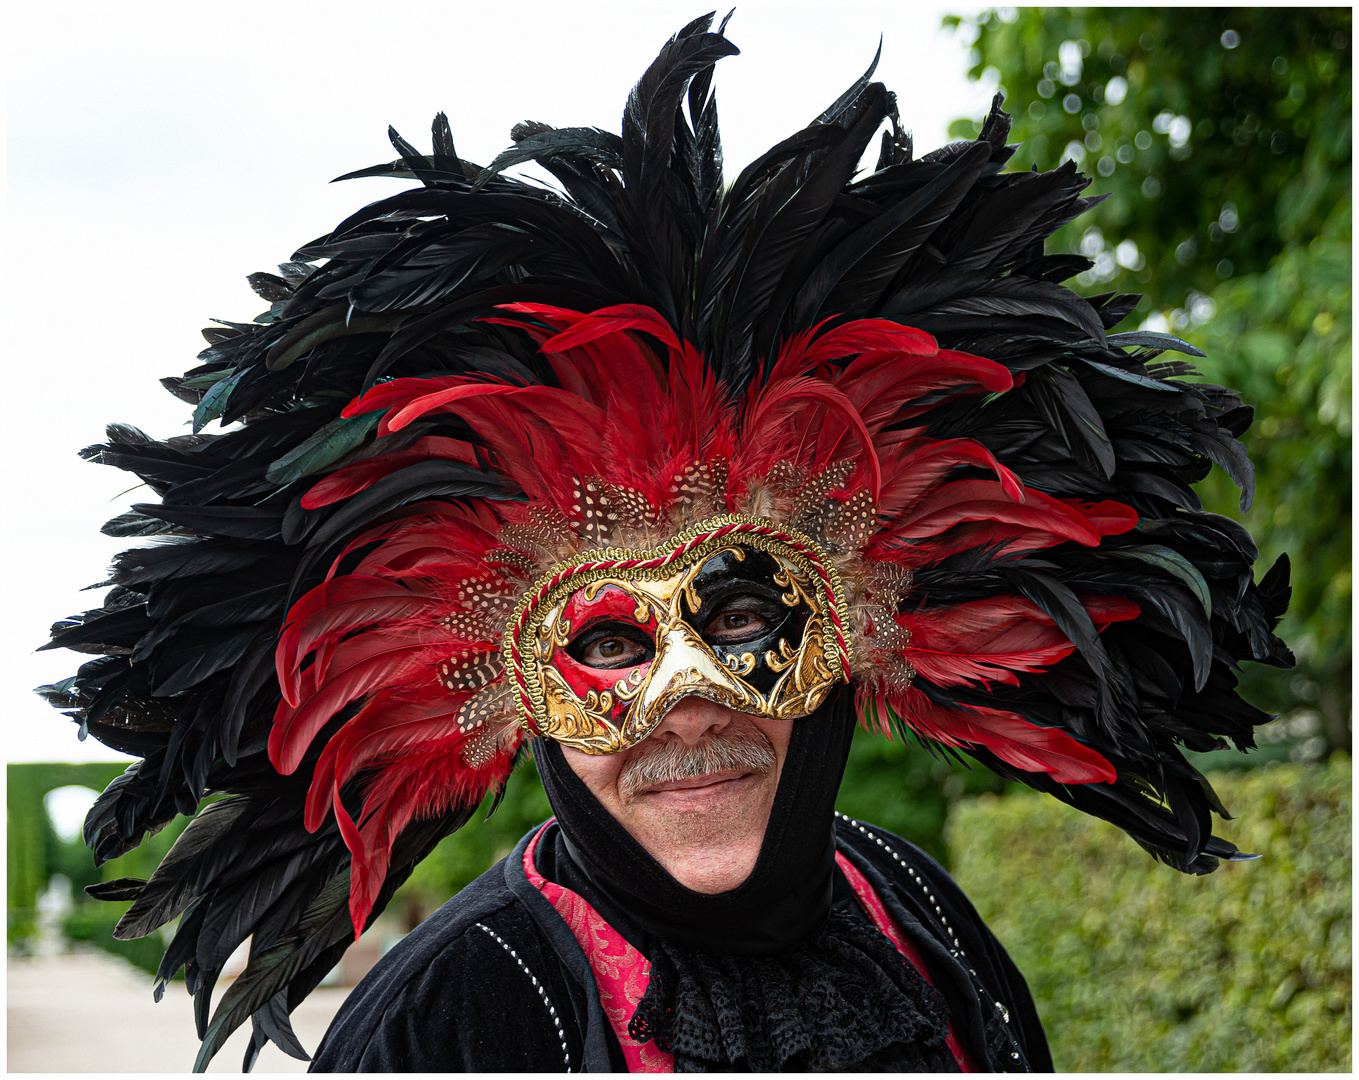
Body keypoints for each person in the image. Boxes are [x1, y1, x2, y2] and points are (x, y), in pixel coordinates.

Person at [41, 15, 1291, 1073]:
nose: (683, 706)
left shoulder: (919, 918)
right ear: (508, 682)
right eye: (602, 640)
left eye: (745, 614)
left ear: (857, 620)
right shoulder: (456, 1020)